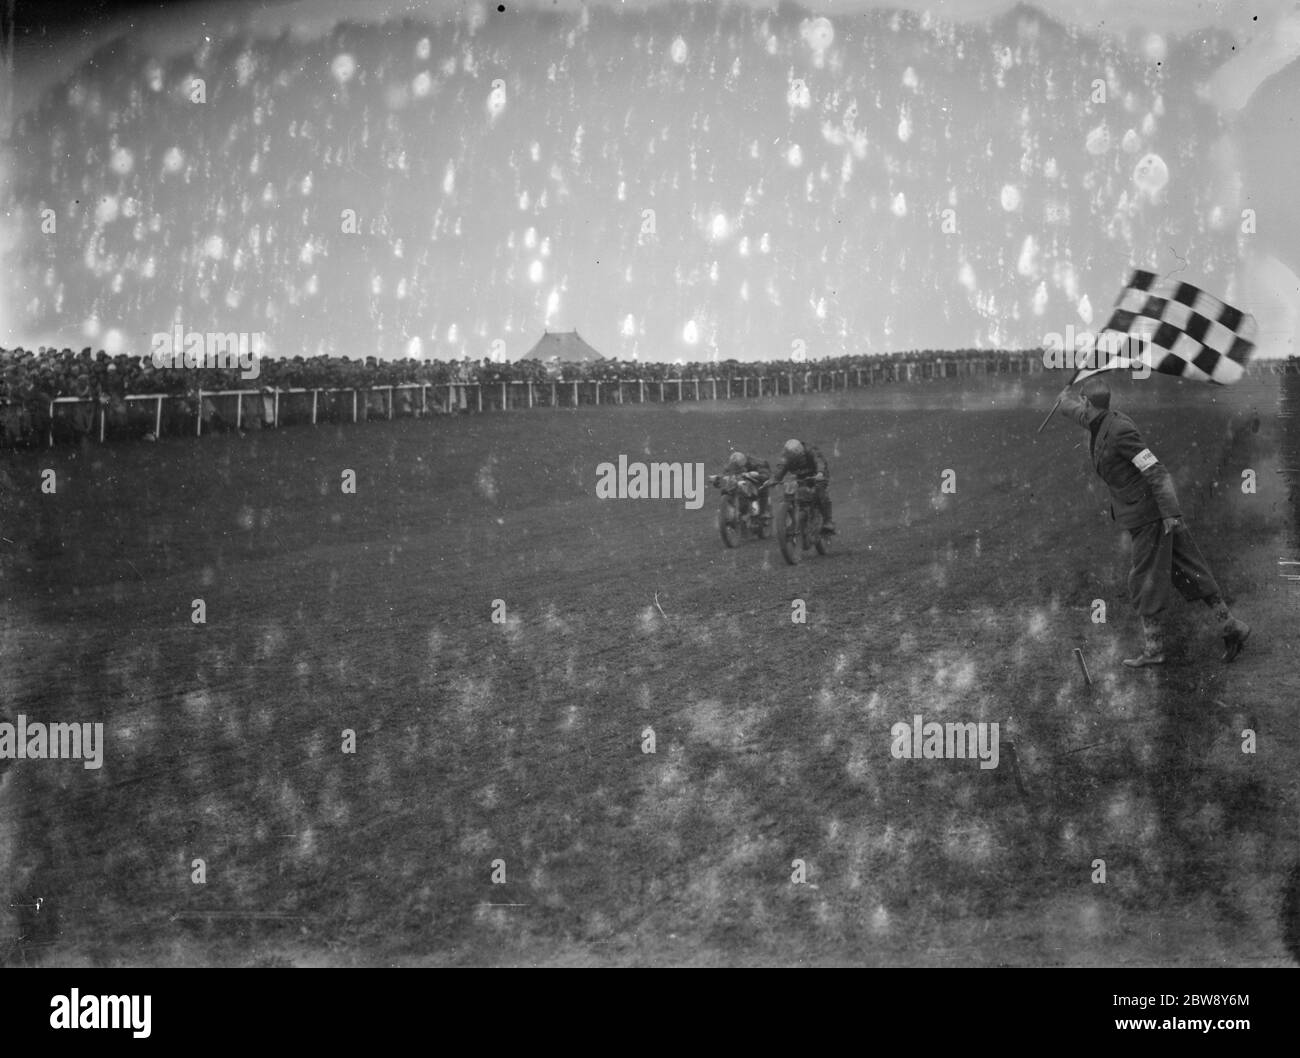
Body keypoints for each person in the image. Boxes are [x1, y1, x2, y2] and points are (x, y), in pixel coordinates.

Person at [1056, 377, 1250, 667]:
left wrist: (1170, 514)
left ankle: (1154, 650)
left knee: (1144, 580)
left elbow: (1156, 471)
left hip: (1151, 516)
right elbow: (1078, 414)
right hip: (1150, 514)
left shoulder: (1120, 430)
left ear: (1089, 402)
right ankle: (1232, 627)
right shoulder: (1099, 420)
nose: (1081, 409)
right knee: (1191, 570)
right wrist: (1063, 401)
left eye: (1081, 402)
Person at [767, 438, 835, 533]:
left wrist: (820, 472)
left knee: (820, 492)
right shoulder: (786, 457)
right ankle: (792, 520)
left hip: (818, 474)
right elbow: (781, 468)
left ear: (801, 454)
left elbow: (819, 461)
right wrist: (774, 479)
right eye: (791, 460)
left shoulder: (811, 451)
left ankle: (828, 521)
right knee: (794, 494)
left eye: (796, 460)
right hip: (801, 477)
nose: (794, 462)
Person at [710, 450, 772, 524]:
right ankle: (726, 512)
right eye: (735, 467)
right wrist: (717, 479)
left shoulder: (755, 462)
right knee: (725, 490)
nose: (737, 469)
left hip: (754, 482)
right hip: (739, 484)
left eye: (739, 468)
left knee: (763, 487)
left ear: (744, 464)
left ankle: (762, 513)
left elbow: (765, 473)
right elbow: (724, 475)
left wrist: (758, 475)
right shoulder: (731, 466)